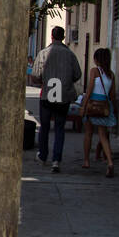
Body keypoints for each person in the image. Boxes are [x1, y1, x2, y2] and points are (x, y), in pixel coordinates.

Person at [30, 26, 83, 173]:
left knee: (45, 127)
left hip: (47, 95)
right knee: (60, 128)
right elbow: (77, 74)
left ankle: (42, 155)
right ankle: (56, 160)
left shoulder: (44, 53)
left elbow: (35, 74)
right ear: (63, 37)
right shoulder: (70, 55)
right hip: (63, 96)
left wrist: (43, 80)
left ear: (52, 37)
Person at [81, 48, 117, 178]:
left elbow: (89, 90)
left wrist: (83, 106)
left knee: (88, 133)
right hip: (104, 107)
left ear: (97, 59)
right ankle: (110, 162)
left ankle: (86, 161)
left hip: (92, 106)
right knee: (103, 136)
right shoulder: (111, 75)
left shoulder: (94, 71)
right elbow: (113, 95)